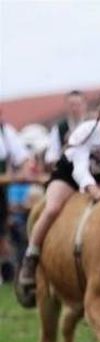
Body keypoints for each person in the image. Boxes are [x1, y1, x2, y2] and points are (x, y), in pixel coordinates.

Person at [15, 94, 100, 307]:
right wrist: (93, 191)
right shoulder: (85, 132)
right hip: (70, 175)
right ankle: (31, 257)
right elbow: (80, 169)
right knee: (52, 208)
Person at [0, 113, 33, 283]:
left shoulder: (5, 131)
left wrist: (24, 169)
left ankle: (6, 273)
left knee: (3, 232)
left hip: (2, 190)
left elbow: (23, 157)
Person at [44, 90, 88, 168]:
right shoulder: (59, 128)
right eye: (71, 105)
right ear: (66, 106)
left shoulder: (92, 125)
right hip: (66, 169)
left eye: (78, 105)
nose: (74, 109)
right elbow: (51, 156)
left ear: (84, 105)